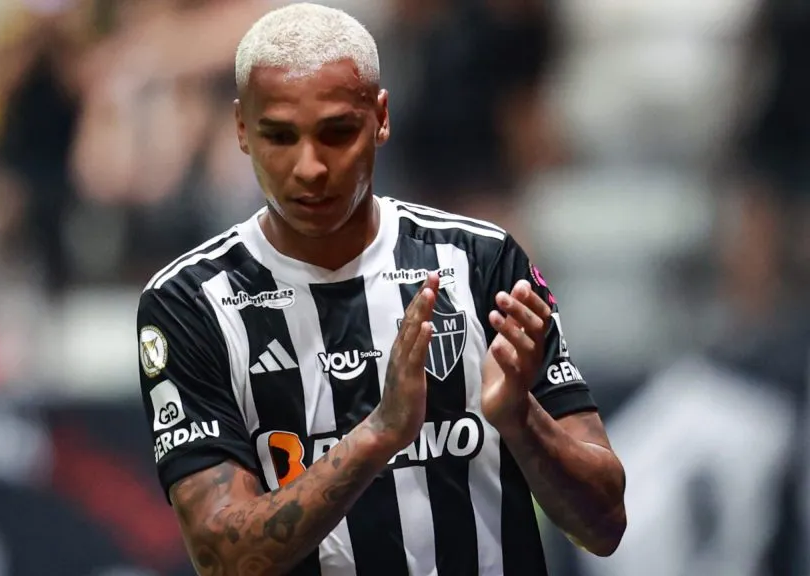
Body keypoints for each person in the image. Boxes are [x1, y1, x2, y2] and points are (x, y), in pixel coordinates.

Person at [135, 4, 627, 575]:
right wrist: (379, 434)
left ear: (381, 118)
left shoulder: (483, 263)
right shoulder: (190, 302)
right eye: (280, 137)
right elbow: (224, 558)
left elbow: (606, 523)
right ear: (242, 129)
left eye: (337, 132)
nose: (310, 167)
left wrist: (521, 418)